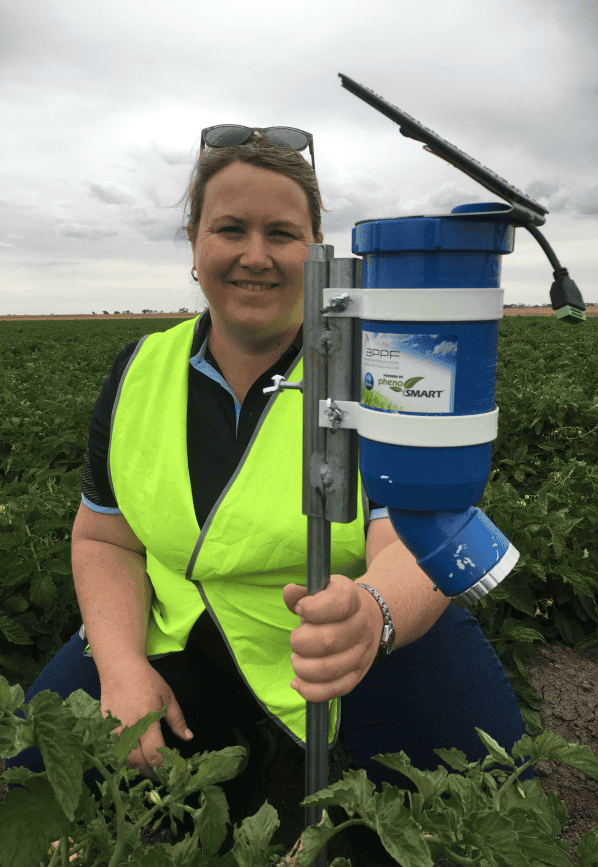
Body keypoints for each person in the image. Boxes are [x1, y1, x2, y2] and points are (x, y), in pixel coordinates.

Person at [6, 126, 532, 831]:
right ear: (195, 242)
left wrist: (371, 613)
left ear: (316, 247)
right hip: (183, 627)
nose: (255, 254)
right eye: (230, 228)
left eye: (281, 232)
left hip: (356, 621)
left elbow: (413, 534)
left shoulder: (377, 360)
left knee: (482, 795)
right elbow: (104, 538)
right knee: (35, 786)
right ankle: (234, 739)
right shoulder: (140, 369)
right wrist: (123, 664)